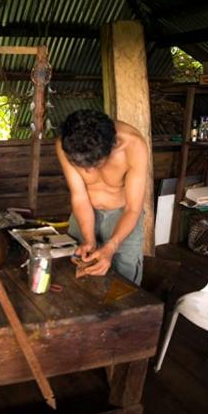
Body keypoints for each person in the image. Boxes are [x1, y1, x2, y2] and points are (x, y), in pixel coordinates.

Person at [56, 109, 149, 285]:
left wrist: (111, 246)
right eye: (80, 165)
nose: (88, 171)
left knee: (124, 284)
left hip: (123, 216)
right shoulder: (66, 144)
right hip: (84, 215)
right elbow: (79, 196)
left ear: (112, 145)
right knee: (78, 275)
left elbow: (133, 208)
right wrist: (88, 239)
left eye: (95, 164)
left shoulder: (133, 146)